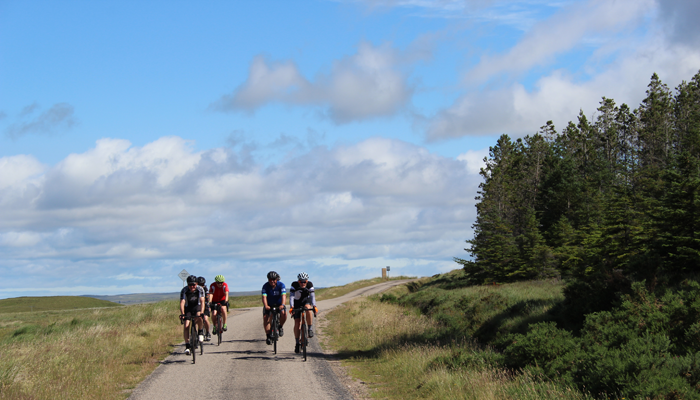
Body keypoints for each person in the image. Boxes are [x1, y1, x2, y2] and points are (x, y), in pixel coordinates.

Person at [289, 272, 317, 354]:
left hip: (306, 301)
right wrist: (292, 307)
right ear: (298, 281)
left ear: (307, 281)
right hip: (297, 303)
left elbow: (312, 296)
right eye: (301, 281)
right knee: (297, 322)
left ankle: (310, 329)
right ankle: (297, 343)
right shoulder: (294, 285)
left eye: (304, 281)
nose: (303, 283)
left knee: (308, 309)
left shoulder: (310, 284)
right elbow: (291, 297)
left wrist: (314, 306)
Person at [180, 275, 206, 356]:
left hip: (197, 306)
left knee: (199, 317)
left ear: (197, 284)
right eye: (190, 285)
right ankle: (187, 345)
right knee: (186, 325)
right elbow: (182, 302)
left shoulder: (200, 289)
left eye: (194, 284)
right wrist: (182, 313)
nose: (192, 286)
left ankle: (200, 331)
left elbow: (202, 301)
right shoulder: (184, 290)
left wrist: (202, 312)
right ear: (187, 284)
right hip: (188, 308)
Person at [261, 271, 287, 345]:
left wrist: (282, 304)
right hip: (269, 305)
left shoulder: (281, 285)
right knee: (266, 318)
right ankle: (268, 336)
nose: (272, 281)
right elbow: (264, 297)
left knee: (284, 314)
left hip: (279, 304)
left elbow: (284, 295)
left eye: (274, 279)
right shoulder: (265, 286)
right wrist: (266, 305)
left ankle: (280, 326)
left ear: (277, 279)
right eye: (270, 279)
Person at [197, 276, 212, 341]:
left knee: (205, 319)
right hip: (197, 306)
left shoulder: (205, 289)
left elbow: (207, 299)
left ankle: (208, 332)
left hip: (205, 305)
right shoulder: (195, 289)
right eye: (200, 284)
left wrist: (208, 306)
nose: (201, 286)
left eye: (202, 284)